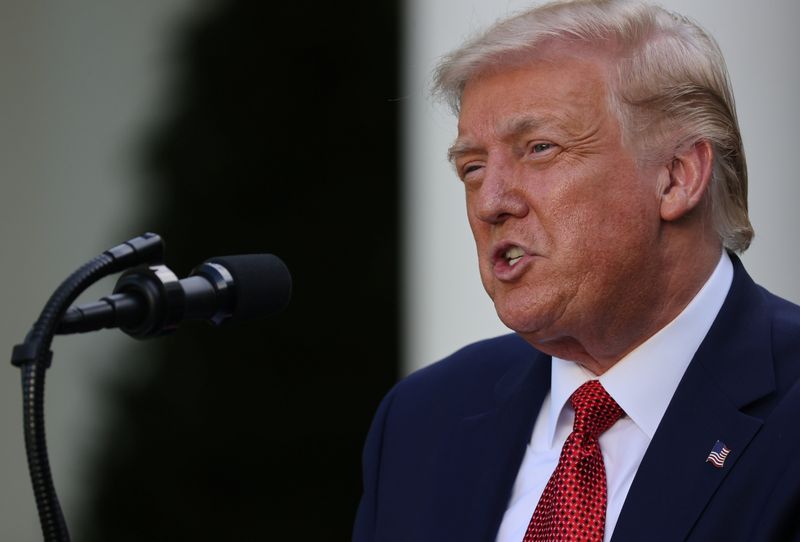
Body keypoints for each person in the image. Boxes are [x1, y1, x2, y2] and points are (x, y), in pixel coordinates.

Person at [353, 1, 800, 540]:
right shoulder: (423, 420)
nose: (490, 201)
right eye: (472, 167)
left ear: (677, 177)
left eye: (539, 149)